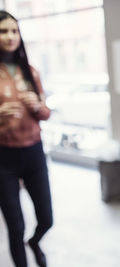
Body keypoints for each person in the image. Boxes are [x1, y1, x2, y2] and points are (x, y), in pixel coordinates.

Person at [0, 10, 52, 267]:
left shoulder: (30, 72)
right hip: (3, 156)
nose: (10, 36)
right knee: (15, 225)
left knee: (46, 218)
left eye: (14, 30)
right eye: (3, 31)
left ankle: (36, 242)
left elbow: (46, 113)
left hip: (33, 151)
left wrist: (37, 107)